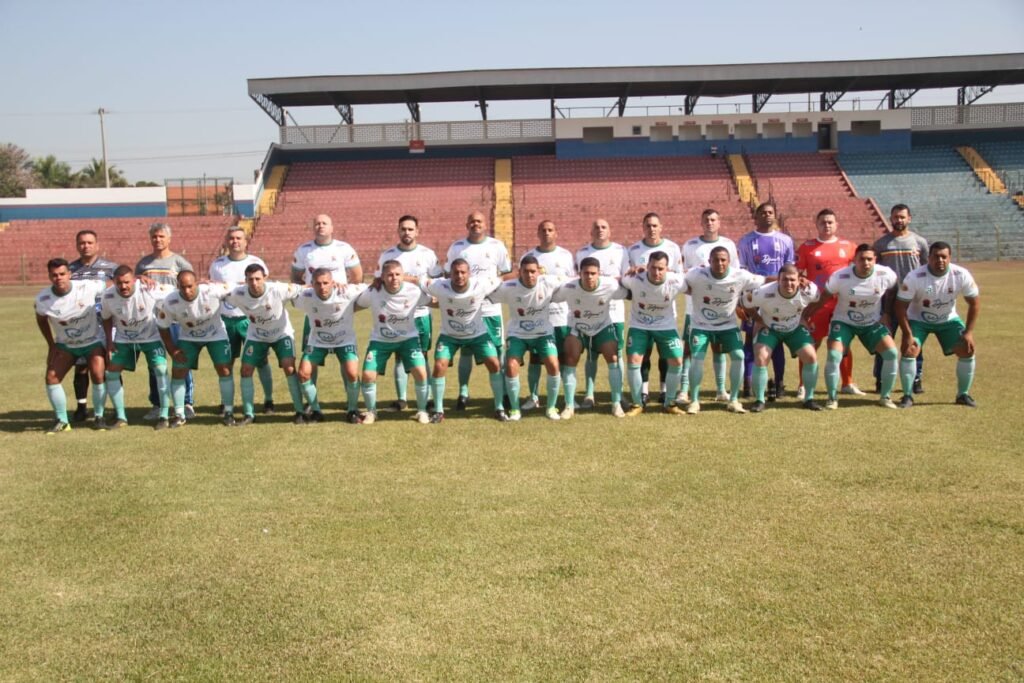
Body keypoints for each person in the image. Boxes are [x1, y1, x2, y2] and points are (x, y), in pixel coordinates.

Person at [802, 244, 900, 410]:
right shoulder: (840, 277)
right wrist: (805, 316)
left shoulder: (886, 274)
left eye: (870, 259)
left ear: (875, 260)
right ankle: (832, 398)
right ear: (854, 260)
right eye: (862, 259)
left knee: (891, 353)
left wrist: (887, 313)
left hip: (871, 323)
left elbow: (893, 290)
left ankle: (885, 396)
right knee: (834, 355)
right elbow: (823, 298)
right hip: (843, 321)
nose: (866, 263)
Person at [893, 242, 980, 408]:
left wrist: (968, 332)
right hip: (918, 319)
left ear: (949, 258)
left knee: (967, 349)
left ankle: (963, 394)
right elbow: (900, 306)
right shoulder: (915, 277)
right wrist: (907, 334)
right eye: (936, 256)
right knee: (910, 349)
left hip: (948, 319)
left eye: (943, 257)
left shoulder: (960, 274)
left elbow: (974, 303)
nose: (940, 260)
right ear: (929, 258)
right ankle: (907, 396)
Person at [442, 211, 512, 410]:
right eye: (472, 221)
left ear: (485, 224)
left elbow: (506, 273)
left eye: (479, 221)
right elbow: (448, 274)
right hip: (466, 309)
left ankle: (504, 392)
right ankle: (463, 392)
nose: (476, 224)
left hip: (490, 309)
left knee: (498, 351)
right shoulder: (457, 247)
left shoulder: (496, 246)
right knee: (466, 351)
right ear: (467, 224)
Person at [290, 214, 362, 404]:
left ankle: (351, 401)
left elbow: (357, 276)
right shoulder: (304, 250)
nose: (320, 226)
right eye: (317, 223)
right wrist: (307, 288)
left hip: (339, 309)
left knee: (346, 359)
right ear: (313, 227)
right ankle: (310, 403)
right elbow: (296, 278)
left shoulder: (343, 248)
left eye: (324, 223)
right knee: (310, 357)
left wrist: (345, 297)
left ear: (332, 227)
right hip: (315, 311)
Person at [683, 247, 764, 414]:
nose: (719, 263)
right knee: (697, 357)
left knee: (739, 355)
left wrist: (788, 278)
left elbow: (763, 280)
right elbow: (676, 277)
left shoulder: (739, 275)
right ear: (709, 261)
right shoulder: (697, 274)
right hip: (701, 326)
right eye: (716, 260)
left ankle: (733, 400)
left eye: (723, 260)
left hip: (727, 325)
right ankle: (694, 401)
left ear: (729, 261)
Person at [423, 258, 505, 421]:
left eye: (463, 272)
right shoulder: (439, 286)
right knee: (439, 365)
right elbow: (417, 280)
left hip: (477, 335)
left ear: (469, 274)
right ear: (450, 274)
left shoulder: (480, 285)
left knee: (494, 363)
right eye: (455, 272)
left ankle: (499, 407)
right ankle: (439, 411)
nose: (459, 276)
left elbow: (504, 278)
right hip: (449, 336)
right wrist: (385, 278)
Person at [488, 254, 566, 421]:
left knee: (553, 363)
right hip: (517, 333)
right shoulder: (508, 287)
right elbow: (486, 292)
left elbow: (573, 281)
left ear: (538, 272)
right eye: (526, 271)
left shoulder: (549, 282)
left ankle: (551, 408)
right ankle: (515, 410)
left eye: (533, 271)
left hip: (543, 333)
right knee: (510, 365)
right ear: (519, 272)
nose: (530, 275)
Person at [227, 265, 308, 425]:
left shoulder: (278, 289)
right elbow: (217, 292)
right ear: (245, 280)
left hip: (281, 334)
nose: (254, 283)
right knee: (245, 370)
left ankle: (299, 411)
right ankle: (249, 414)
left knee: (289, 367)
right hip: (257, 336)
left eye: (258, 278)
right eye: (250, 279)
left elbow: (303, 288)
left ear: (265, 277)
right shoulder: (238, 293)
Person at [34, 259, 108, 434]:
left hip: (92, 341)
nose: (59, 278)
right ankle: (62, 421)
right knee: (51, 377)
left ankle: (99, 417)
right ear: (49, 276)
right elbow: (41, 320)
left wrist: (139, 281)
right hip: (66, 345)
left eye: (62, 274)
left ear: (69, 274)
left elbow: (111, 284)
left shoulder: (87, 287)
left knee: (98, 374)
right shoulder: (43, 299)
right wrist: (51, 345)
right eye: (54, 275)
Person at [355, 260, 434, 424]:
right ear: (382, 277)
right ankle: (371, 412)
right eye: (389, 275)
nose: (394, 278)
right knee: (368, 375)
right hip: (380, 340)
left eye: (398, 274)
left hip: (408, 339)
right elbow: (355, 305)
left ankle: (421, 411)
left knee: (421, 372)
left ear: (403, 275)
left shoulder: (413, 291)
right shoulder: (373, 291)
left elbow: (434, 302)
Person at [551, 257, 629, 419]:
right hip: (578, 328)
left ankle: (616, 403)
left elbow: (628, 292)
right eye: (586, 273)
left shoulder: (610, 285)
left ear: (599, 273)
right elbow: (551, 296)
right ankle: (569, 405)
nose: (589, 277)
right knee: (570, 359)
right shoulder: (569, 287)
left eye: (593, 273)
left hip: (602, 327)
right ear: (579, 273)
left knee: (613, 357)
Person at [795, 209, 861, 398]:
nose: (827, 225)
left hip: (841, 304)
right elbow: (798, 274)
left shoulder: (849, 246)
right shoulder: (807, 247)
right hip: (818, 304)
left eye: (830, 222)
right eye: (823, 222)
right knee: (810, 344)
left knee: (843, 344)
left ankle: (847, 382)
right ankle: (803, 385)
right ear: (816, 224)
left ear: (836, 224)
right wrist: (804, 282)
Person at [375, 215, 439, 411]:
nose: (407, 232)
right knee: (401, 356)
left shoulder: (428, 254)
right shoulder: (388, 256)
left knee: (423, 355)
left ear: (417, 231)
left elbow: (437, 281)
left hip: (420, 313)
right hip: (397, 316)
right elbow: (378, 282)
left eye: (411, 229)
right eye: (403, 229)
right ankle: (402, 399)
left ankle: (427, 397)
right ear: (398, 231)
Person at [156, 271, 235, 428]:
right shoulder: (170, 301)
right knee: (178, 371)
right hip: (189, 337)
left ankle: (228, 411)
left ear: (197, 283)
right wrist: (172, 350)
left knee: (224, 370)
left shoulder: (212, 291)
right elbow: (162, 326)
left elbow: (237, 288)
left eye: (190, 286)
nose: (187, 291)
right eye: (182, 287)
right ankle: (179, 414)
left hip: (216, 334)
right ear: (177, 286)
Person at [209, 226, 274, 414]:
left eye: (239, 238)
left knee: (261, 360)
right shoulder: (218, 265)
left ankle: (268, 400)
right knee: (226, 363)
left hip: (250, 320)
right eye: (231, 238)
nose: (235, 241)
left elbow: (264, 289)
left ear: (245, 241)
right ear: (226, 241)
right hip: (226, 320)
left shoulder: (256, 262)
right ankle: (225, 402)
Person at [100, 266, 174, 429]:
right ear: (114, 282)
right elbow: (105, 318)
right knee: (112, 373)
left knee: (161, 370)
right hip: (124, 340)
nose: (124, 286)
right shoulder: (108, 295)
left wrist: (201, 284)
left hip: (151, 338)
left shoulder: (149, 288)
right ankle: (121, 417)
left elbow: (177, 291)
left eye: (127, 282)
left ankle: (164, 415)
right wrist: (109, 342)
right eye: (119, 283)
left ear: (134, 280)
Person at [742, 264, 823, 412]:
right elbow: (745, 302)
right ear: (778, 280)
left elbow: (819, 300)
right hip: (770, 327)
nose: (789, 283)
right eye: (784, 280)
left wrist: (805, 316)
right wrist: (758, 320)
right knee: (760, 357)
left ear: (799, 280)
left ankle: (809, 399)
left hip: (794, 327)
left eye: (793, 280)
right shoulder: (764, 292)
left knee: (811, 356)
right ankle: (760, 400)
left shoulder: (809, 290)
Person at [292, 268, 367, 423]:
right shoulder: (306, 296)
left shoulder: (346, 291)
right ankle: (316, 410)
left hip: (344, 340)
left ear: (333, 283)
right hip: (318, 341)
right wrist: (300, 288)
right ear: (312, 284)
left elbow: (372, 288)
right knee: (303, 373)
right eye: (318, 283)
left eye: (326, 283)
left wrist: (379, 281)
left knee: (352, 373)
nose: (322, 287)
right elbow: (287, 295)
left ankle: (352, 410)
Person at [136, 222, 194, 420]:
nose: (158, 240)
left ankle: (186, 402)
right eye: (154, 236)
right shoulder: (144, 264)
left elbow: (190, 288)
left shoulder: (180, 262)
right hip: (152, 321)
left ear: (169, 239)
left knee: (181, 359)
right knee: (156, 364)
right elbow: (135, 285)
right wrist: (138, 278)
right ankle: (158, 403)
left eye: (161, 236)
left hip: (176, 320)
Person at [737, 202, 795, 400]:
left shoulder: (786, 240)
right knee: (751, 340)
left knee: (777, 339)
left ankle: (779, 383)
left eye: (770, 212)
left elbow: (790, 271)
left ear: (775, 215)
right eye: (763, 213)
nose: (767, 215)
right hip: (754, 297)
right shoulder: (746, 241)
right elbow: (742, 272)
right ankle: (748, 383)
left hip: (779, 298)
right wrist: (741, 299)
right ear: (756, 216)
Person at [681, 209, 739, 405]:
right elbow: (684, 275)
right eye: (706, 219)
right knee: (690, 349)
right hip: (694, 308)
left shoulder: (728, 245)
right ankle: (684, 389)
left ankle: (721, 389)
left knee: (719, 348)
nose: (710, 223)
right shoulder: (690, 245)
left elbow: (735, 274)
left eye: (713, 219)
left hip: (722, 308)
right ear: (701, 222)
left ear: (719, 222)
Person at [518, 220, 576, 412]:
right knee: (536, 359)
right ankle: (533, 397)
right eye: (543, 230)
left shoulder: (566, 255)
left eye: (550, 230)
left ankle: (567, 398)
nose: (546, 233)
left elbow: (572, 284)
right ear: (538, 233)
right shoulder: (529, 257)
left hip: (561, 317)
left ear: (556, 233)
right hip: (537, 319)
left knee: (564, 356)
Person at [626, 212, 683, 405]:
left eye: (655, 225)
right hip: (642, 312)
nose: (652, 229)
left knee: (666, 355)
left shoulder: (673, 248)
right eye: (648, 225)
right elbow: (628, 278)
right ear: (643, 227)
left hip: (666, 311)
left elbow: (679, 277)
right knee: (644, 353)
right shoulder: (633, 249)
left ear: (661, 227)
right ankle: (643, 391)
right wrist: (637, 270)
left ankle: (665, 390)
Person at [620, 251, 687, 415]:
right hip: (639, 326)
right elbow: (620, 280)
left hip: (666, 326)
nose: (656, 272)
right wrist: (632, 269)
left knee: (677, 360)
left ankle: (669, 402)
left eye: (660, 269)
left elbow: (694, 283)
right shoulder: (635, 279)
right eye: (653, 268)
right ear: (647, 266)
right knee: (634, 360)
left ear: (667, 269)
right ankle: (637, 404)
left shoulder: (676, 281)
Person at [873, 204, 929, 394]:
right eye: (896, 217)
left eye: (902, 217)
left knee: (914, 339)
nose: (899, 220)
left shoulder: (919, 242)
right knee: (884, 340)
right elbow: (875, 272)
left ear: (909, 218)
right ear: (891, 219)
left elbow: (926, 270)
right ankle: (881, 379)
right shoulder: (882, 244)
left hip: (913, 302)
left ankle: (915, 377)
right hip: (888, 301)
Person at [574, 218, 628, 409]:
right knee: (591, 355)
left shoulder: (621, 251)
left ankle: (618, 394)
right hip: (590, 312)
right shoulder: (582, 253)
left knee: (616, 354)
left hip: (615, 312)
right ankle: (589, 394)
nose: (600, 230)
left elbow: (625, 279)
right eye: (596, 227)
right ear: (591, 231)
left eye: (604, 226)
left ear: (610, 231)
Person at [68, 229, 118, 423]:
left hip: (105, 324)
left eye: (89, 242)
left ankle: (114, 407)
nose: (86, 246)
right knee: (81, 367)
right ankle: (81, 407)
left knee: (110, 365)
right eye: (82, 243)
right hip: (80, 325)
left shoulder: (110, 268)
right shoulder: (70, 269)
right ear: (77, 245)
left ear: (97, 245)